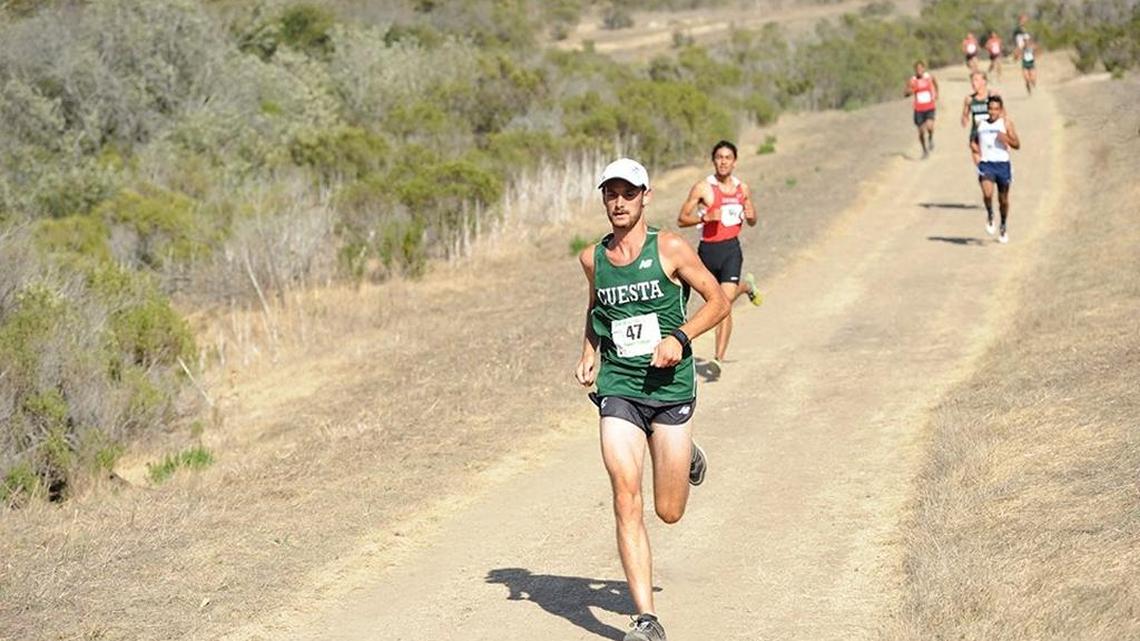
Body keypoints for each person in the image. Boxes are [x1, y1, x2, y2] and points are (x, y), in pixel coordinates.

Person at [575, 157, 730, 641]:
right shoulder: (591, 258)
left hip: (669, 388)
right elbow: (596, 307)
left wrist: (680, 339)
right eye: (610, 193)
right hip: (620, 386)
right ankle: (646, 619)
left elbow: (718, 300)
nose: (618, 202)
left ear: (646, 196)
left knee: (669, 510)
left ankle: (685, 456)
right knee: (625, 496)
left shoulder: (671, 247)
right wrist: (589, 353)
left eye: (627, 193)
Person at [676, 140, 761, 375]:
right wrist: (704, 218)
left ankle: (718, 359)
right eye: (719, 157)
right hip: (707, 252)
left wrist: (753, 216)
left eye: (728, 157)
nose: (723, 161)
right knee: (718, 303)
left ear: (734, 161)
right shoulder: (703, 188)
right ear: (714, 160)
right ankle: (745, 287)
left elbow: (752, 219)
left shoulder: (742, 188)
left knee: (723, 304)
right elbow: (682, 219)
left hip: (731, 250)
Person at [971, 95, 1020, 243]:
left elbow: (1017, 144)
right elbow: (973, 141)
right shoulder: (980, 124)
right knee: (987, 193)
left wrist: (1006, 139)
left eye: (996, 109)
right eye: (990, 109)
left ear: (1001, 110)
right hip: (986, 164)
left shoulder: (1006, 123)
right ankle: (990, 214)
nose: (992, 112)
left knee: (1003, 200)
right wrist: (976, 150)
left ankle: (1003, 225)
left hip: (1003, 165)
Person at [960, 71, 997, 166]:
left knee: (993, 171)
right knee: (983, 173)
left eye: (976, 80)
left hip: (992, 137)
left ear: (984, 81)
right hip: (976, 136)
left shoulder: (992, 96)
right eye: (972, 80)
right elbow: (964, 118)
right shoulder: (969, 99)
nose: (973, 83)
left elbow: (1003, 116)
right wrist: (964, 118)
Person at [904, 60, 939, 158]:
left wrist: (936, 93)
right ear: (915, 70)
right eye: (917, 69)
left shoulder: (929, 77)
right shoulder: (913, 80)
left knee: (930, 126)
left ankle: (931, 139)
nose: (919, 70)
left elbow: (935, 84)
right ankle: (924, 150)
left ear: (924, 68)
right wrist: (910, 91)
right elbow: (905, 92)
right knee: (921, 131)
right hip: (918, 109)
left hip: (929, 106)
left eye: (921, 68)